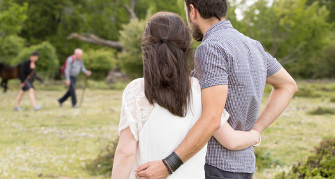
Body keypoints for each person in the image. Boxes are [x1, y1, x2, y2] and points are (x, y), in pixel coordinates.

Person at [135, 0, 297, 179]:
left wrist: (169, 165)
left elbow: (212, 118)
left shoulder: (210, 48)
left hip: (215, 166)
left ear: (192, 11)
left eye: (187, 13)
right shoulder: (253, 45)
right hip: (244, 166)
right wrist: (256, 129)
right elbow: (288, 85)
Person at [111, 12, 261, 179]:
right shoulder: (201, 91)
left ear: (147, 48)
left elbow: (125, 153)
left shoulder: (136, 90)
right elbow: (231, 141)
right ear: (185, 48)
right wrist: (256, 135)